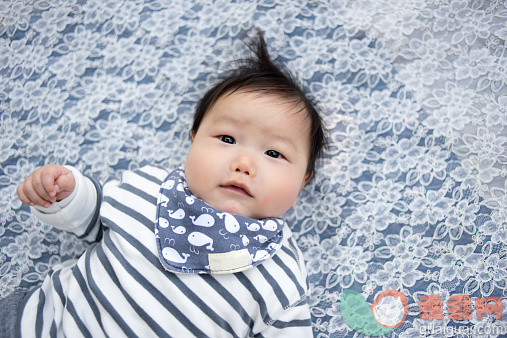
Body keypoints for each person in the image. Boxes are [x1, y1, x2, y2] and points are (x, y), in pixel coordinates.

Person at [10, 30, 325, 337]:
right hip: (37, 323)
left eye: (274, 153)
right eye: (227, 138)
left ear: (303, 180)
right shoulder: (146, 187)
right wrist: (64, 193)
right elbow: (92, 216)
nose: (243, 164)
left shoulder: (281, 280)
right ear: (193, 141)